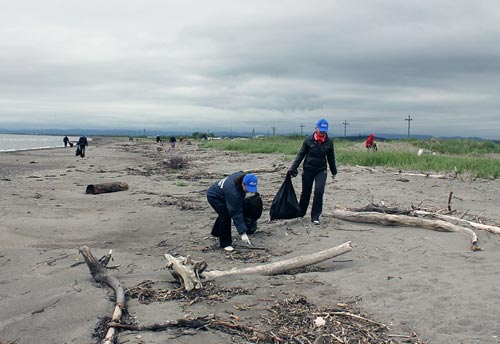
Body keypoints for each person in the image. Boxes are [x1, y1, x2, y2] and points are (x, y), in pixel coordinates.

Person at [288, 118, 337, 225]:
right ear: (316, 128)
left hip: (321, 170)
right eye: (320, 129)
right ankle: (301, 213)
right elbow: (301, 155)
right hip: (308, 169)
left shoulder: (329, 141)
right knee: (306, 192)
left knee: (319, 192)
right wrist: (293, 167)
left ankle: (315, 216)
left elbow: (331, 157)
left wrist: (334, 171)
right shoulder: (308, 140)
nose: (322, 132)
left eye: (324, 130)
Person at [207, 172, 258, 251]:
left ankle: (216, 232)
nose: (249, 191)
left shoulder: (243, 176)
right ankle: (225, 243)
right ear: (243, 184)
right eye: (247, 188)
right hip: (214, 196)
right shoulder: (233, 193)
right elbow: (236, 213)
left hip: (224, 193)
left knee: (224, 212)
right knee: (225, 216)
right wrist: (242, 233)